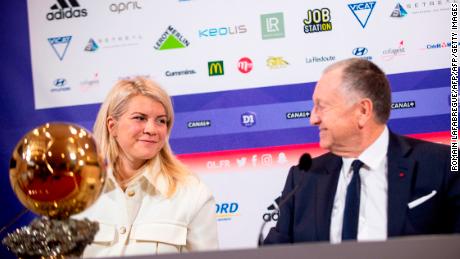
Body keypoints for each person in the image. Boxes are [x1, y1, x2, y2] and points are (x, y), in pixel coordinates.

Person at [264, 58, 460, 244]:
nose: (313, 119)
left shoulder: (444, 164)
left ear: (363, 111)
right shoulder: (303, 177)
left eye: (321, 106)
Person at [74, 77, 219, 257]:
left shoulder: (192, 193)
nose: (152, 129)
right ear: (112, 126)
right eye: (140, 118)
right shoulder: (76, 191)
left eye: (161, 121)